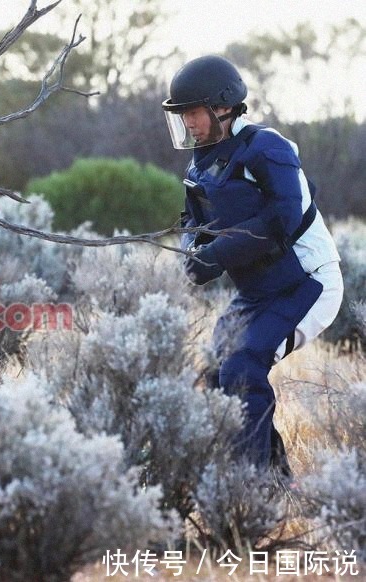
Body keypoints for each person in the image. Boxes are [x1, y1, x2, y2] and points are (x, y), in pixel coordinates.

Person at [162, 55, 343, 477]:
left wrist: (218, 256)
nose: (188, 122)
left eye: (192, 112)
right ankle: (277, 481)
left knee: (243, 368)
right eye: (182, 114)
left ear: (223, 106)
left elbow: (284, 217)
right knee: (215, 371)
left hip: (308, 282)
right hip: (258, 292)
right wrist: (192, 254)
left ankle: (253, 487)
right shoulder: (199, 164)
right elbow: (192, 222)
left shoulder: (268, 147)